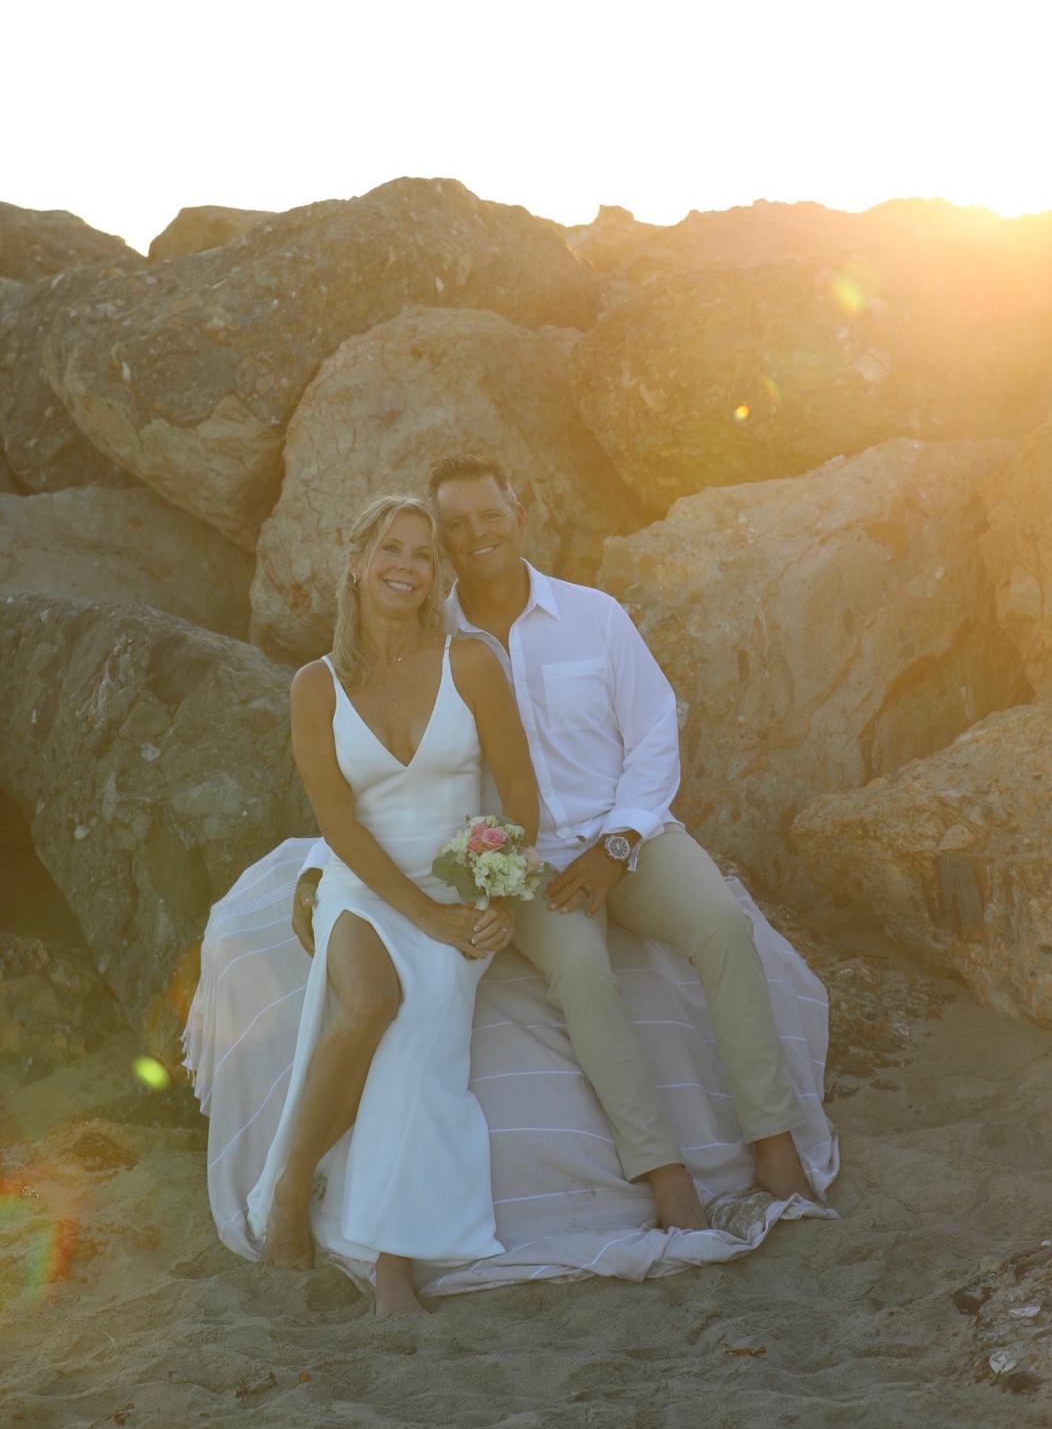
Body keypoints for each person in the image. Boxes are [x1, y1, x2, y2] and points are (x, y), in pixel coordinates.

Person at [294, 454, 811, 1230]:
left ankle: (774, 1142)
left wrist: (621, 841)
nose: (477, 534)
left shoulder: (593, 615)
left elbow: (653, 731)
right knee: (580, 967)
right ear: (442, 546)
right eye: (456, 526)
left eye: (490, 515)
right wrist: (317, 864)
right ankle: (663, 1171)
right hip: (519, 857)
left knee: (723, 926)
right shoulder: (435, 637)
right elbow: (388, 776)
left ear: (520, 516)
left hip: (627, 831)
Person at [238, 493, 539, 1313]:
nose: (407, 567)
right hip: (361, 884)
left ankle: (392, 1257)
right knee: (372, 998)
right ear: (356, 563)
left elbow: (518, 790)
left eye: (423, 556)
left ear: (437, 577)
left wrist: (497, 896)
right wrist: (424, 916)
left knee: (425, 1027)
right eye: (391, 550)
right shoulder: (316, 686)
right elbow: (338, 824)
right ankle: (292, 1183)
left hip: (455, 885)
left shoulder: (469, 663)